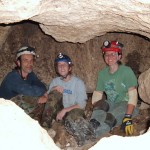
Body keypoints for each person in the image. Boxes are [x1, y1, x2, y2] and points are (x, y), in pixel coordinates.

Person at [90, 40, 139, 137]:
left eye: (113, 54)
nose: (109, 57)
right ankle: (91, 126)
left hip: (126, 104)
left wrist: (128, 116)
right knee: (101, 105)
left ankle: (94, 134)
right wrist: (97, 110)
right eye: (107, 55)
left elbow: (133, 95)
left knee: (111, 116)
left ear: (119, 56)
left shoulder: (126, 71)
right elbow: (97, 94)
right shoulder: (102, 73)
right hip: (111, 103)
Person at [47, 53, 95, 146]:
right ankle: (45, 128)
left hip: (73, 110)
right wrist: (53, 89)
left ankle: (84, 134)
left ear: (70, 68)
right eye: (59, 65)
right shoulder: (55, 82)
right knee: (53, 94)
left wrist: (65, 110)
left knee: (72, 119)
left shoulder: (78, 83)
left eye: (64, 64)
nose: (61, 67)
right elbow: (47, 99)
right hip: (58, 111)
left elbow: (81, 104)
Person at [0, 46, 48, 123]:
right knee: (25, 98)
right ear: (18, 63)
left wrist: (44, 94)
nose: (29, 63)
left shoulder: (30, 74)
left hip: (17, 111)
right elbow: (30, 91)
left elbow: (41, 85)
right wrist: (43, 94)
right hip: (5, 112)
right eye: (25, 60)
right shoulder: (12, 77)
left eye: (31, 60)